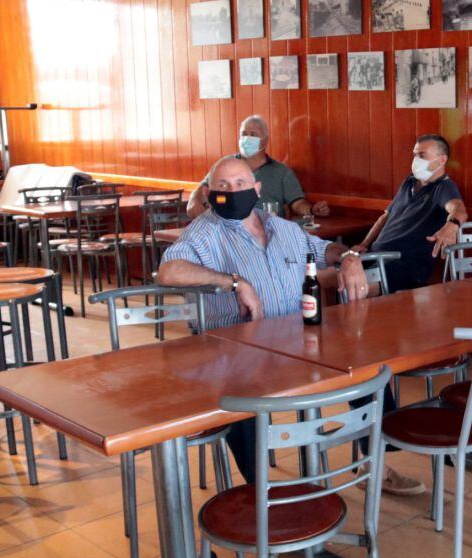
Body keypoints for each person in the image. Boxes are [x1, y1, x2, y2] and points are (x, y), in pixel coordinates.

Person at [159, 156, 425, 495]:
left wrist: (349, 258)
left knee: (367, 367)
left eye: (240, 184)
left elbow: (325, 250)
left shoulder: (282, 228)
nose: (232, 192)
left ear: (257, 189)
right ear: (209, 193)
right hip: (236, 349)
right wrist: (234, 282)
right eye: (223, 186)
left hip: (296, 341)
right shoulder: (203, 232)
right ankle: (262, 497)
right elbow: (169, 271)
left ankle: (375, 464)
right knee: (241, 397)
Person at [352, 134, 467, 292]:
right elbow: (386, 216)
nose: (416, 160)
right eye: (415, 155)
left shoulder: (444, 187)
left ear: (442, 160)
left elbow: (459, 210)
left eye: (422, 156)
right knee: (324, 277)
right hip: (374, 255)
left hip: (403, 265)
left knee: (352, 288)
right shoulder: (409, 182)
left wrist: (451, 226)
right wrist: (364, 244)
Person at [186, 115, 330, 221]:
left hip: (268, 233)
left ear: (265, 140)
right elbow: (203, 187)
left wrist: (312, 210)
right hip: (227, 231)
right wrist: (194, 199)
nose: (247, 138)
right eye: (244, 134)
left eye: (253, 135)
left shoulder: (282, 172)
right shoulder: (225, 165)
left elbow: (297, 203)